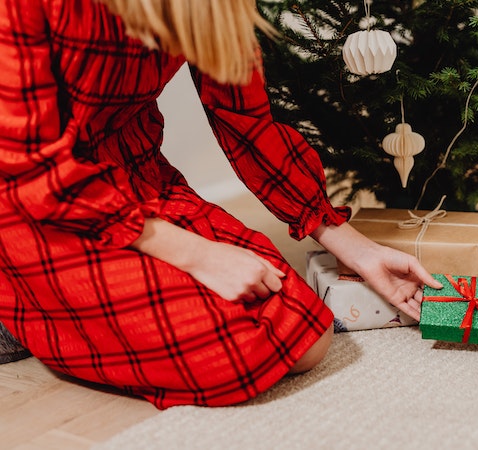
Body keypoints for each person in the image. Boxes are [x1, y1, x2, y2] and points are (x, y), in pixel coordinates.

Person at [0, 0, 441, 408]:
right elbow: (27, 168)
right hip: (32, 198)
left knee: (305, 331)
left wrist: (355, 248)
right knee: (240, 349)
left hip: (139, 181)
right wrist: (198, 255)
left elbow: (245, 119)